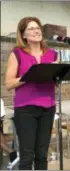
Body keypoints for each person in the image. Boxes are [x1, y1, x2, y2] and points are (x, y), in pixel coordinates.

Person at [5, 17, 58, 170]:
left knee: (42, 155)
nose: (36, 31)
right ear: (23, 35)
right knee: (27, 155)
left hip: (48, 108)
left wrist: (58, 75)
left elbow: (53, 81)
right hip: (26, 109)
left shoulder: (52, 54)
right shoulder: (17, 53)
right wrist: (30, 75)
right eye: (31, 29)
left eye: (38, 28)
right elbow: (8, 84)